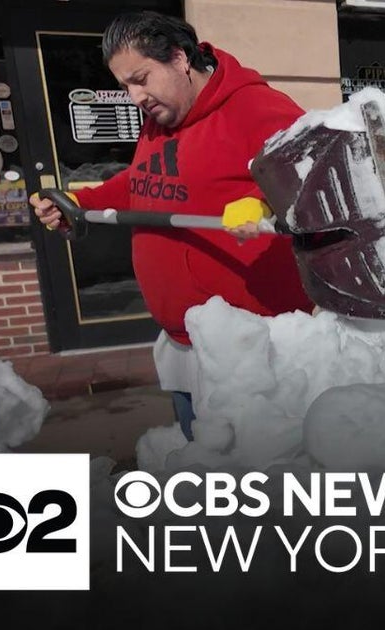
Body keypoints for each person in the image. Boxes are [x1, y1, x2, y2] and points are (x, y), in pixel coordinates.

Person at [30, 11, 314, 441]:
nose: (135, 96)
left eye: (141, 78)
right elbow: (143, 182)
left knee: (255, 485)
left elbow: (315, 174)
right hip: (184, 344)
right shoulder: (163, 118)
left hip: (250, 350)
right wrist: (80, 201)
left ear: (180, 58)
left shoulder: (255, 107)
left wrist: (263, 202)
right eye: (125, 85)